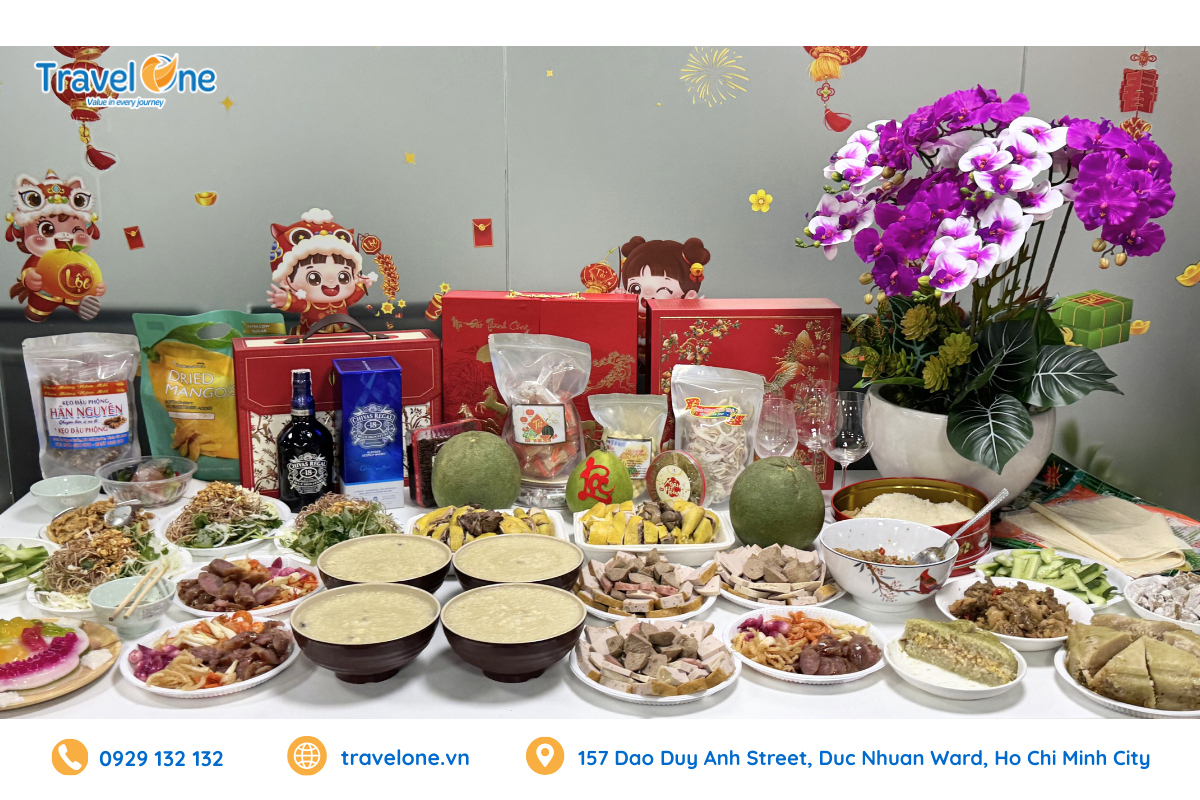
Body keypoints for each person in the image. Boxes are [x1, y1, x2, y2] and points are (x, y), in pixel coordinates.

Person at [5, 170, 105, 322]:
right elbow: (29, 269)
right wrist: (30, 278)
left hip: (74, 292)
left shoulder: (79, 258)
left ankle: (82, 306)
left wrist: (97, 286)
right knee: (37, 310)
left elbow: (89, 272)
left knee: (79, 300)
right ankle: (37, 314)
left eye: (75, 230)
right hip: (46, 294)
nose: (64, 236)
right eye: (47, 230)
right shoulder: (41, 258)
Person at [266, 208, 377, 336]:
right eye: (314, 278)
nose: (331, 282)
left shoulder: (342, 301)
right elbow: (300, 305)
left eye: (343, 277)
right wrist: (286, 300)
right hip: (311, 337)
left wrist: (363, 285)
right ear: (287, 280)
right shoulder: (309, 304)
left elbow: (353, 297)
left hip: (344, 335)